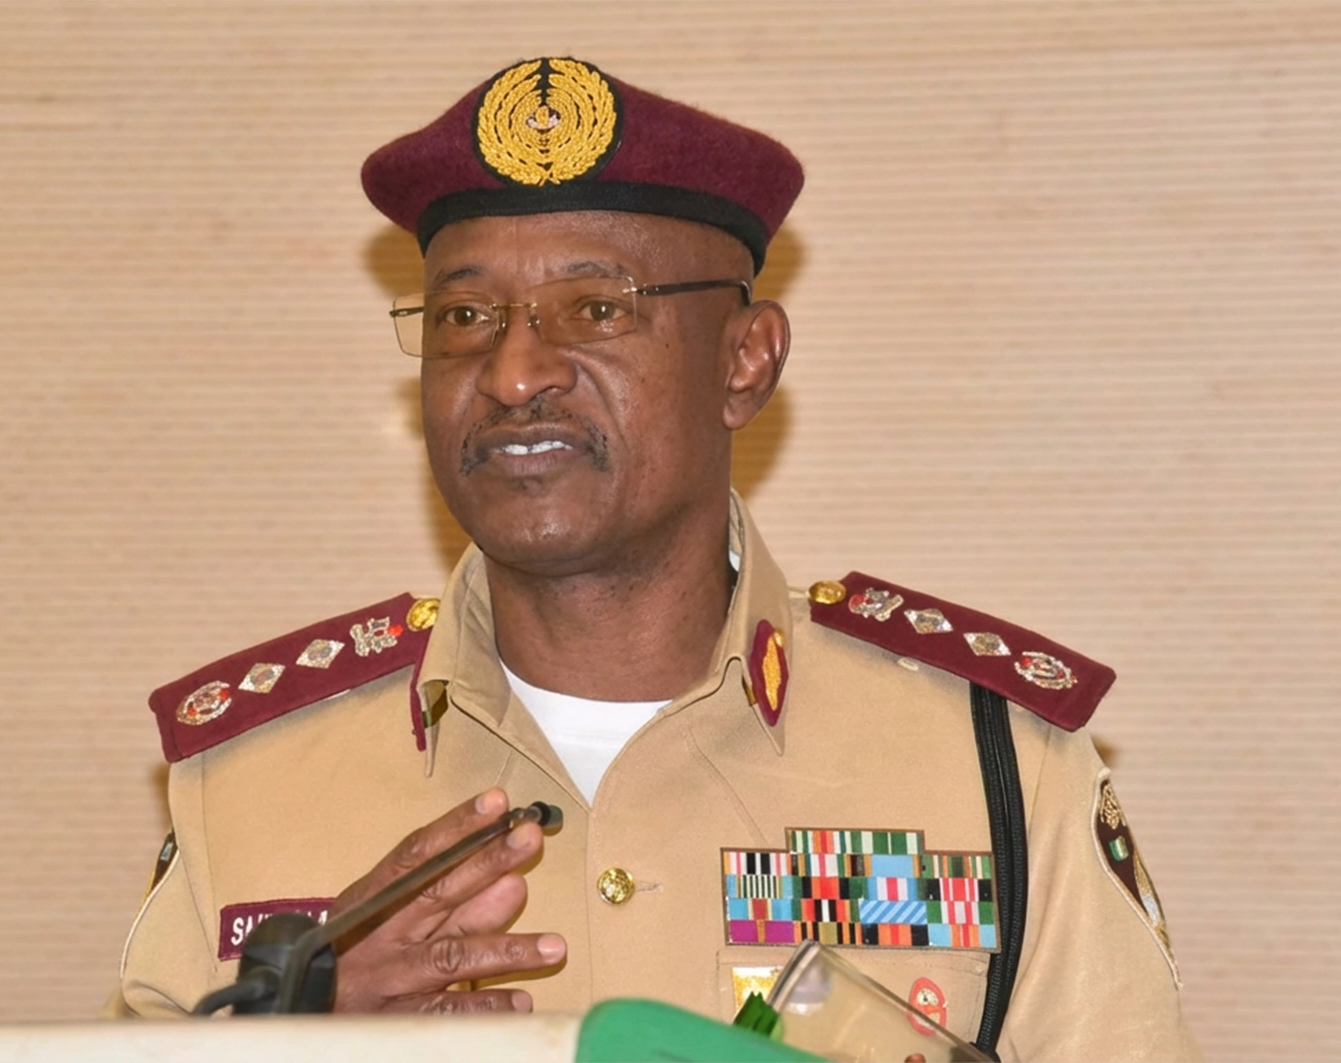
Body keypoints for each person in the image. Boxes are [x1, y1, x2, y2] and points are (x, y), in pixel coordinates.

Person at [113, 56, 1199, 1061]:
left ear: (744, 361)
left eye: (595, 308)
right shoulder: (248, 782)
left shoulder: (991, 760)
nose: (513, 373)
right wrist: (280, 1048)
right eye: (466, 314)